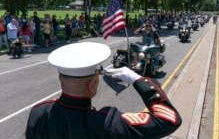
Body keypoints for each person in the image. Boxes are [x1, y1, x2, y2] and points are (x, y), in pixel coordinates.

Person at [25, 42, 182, 139]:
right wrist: (138, 80)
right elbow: (170, 120)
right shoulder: (107, 123)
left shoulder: (38, 113)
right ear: (92, 85)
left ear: (61, 79)